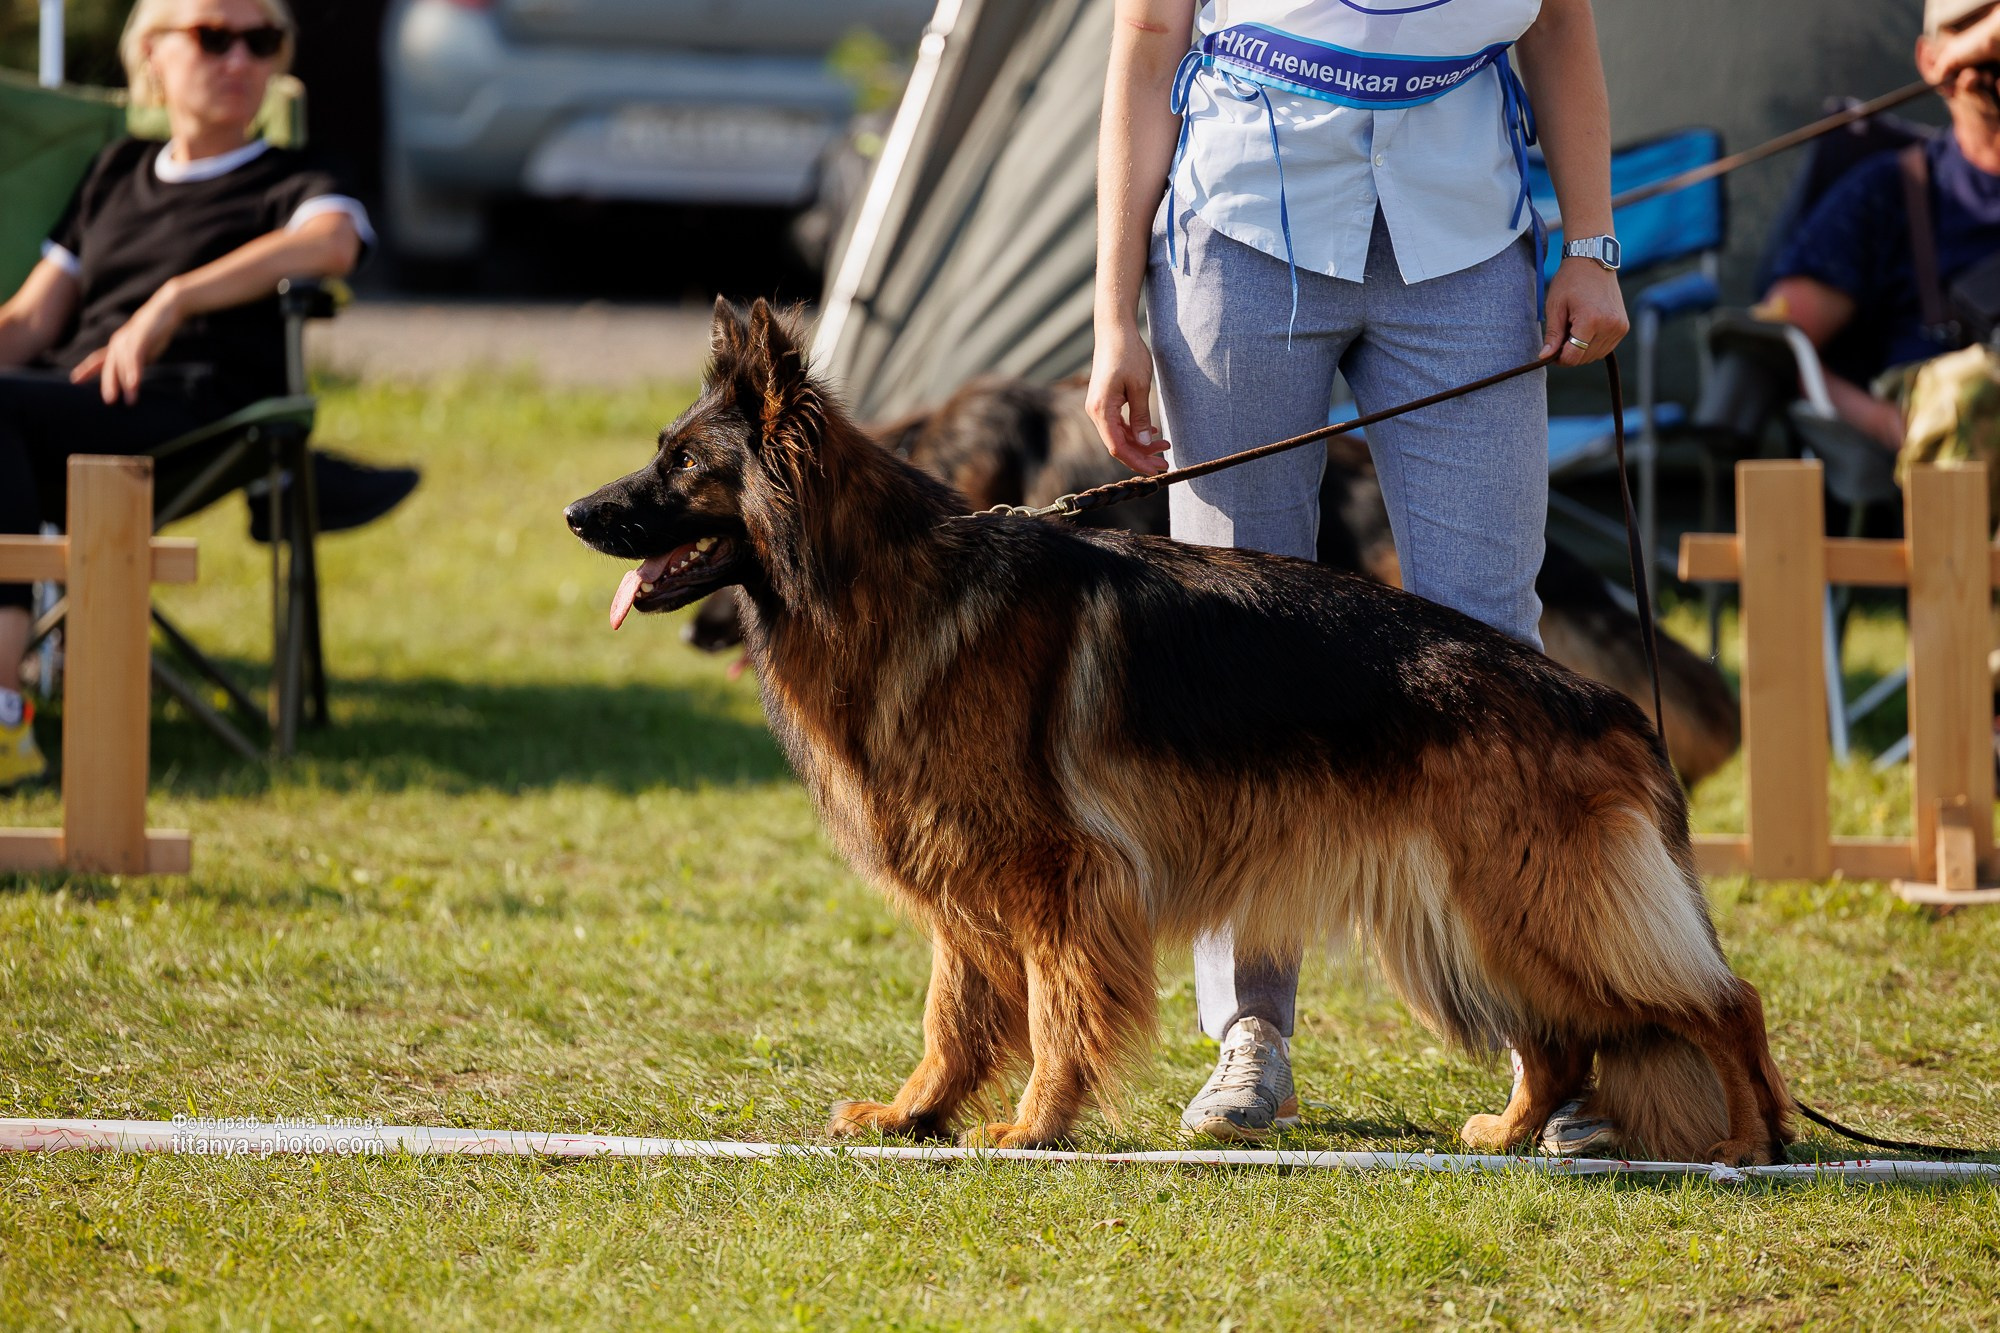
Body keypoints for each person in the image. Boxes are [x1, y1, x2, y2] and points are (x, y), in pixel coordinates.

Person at [1088, 0, 1627, 1147]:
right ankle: (1250, 1032)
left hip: (1466, 245)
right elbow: (1144, 43)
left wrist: (1589, 248)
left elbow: (1559, 26)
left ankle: (1550, 1038)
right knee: (1228, 646)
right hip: (1236, 234)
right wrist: (1110, 314)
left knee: (1491, 648)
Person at [0, 0, 417, 788]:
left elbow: (334, 242)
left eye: (261, 42)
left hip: (192, 413)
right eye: (213, 38)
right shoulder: (115, 171)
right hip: (59, 404)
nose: (239, 62)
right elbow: (27, 322)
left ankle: (1, 711)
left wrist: (176, 298)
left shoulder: (293, 176)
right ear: (151, 54)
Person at [1755, 0, 2000, 452]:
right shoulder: (1891, 190)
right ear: (1929, 60)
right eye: (1966, 25)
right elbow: (1780, 339)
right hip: (1937, 469)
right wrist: (1884, 424)